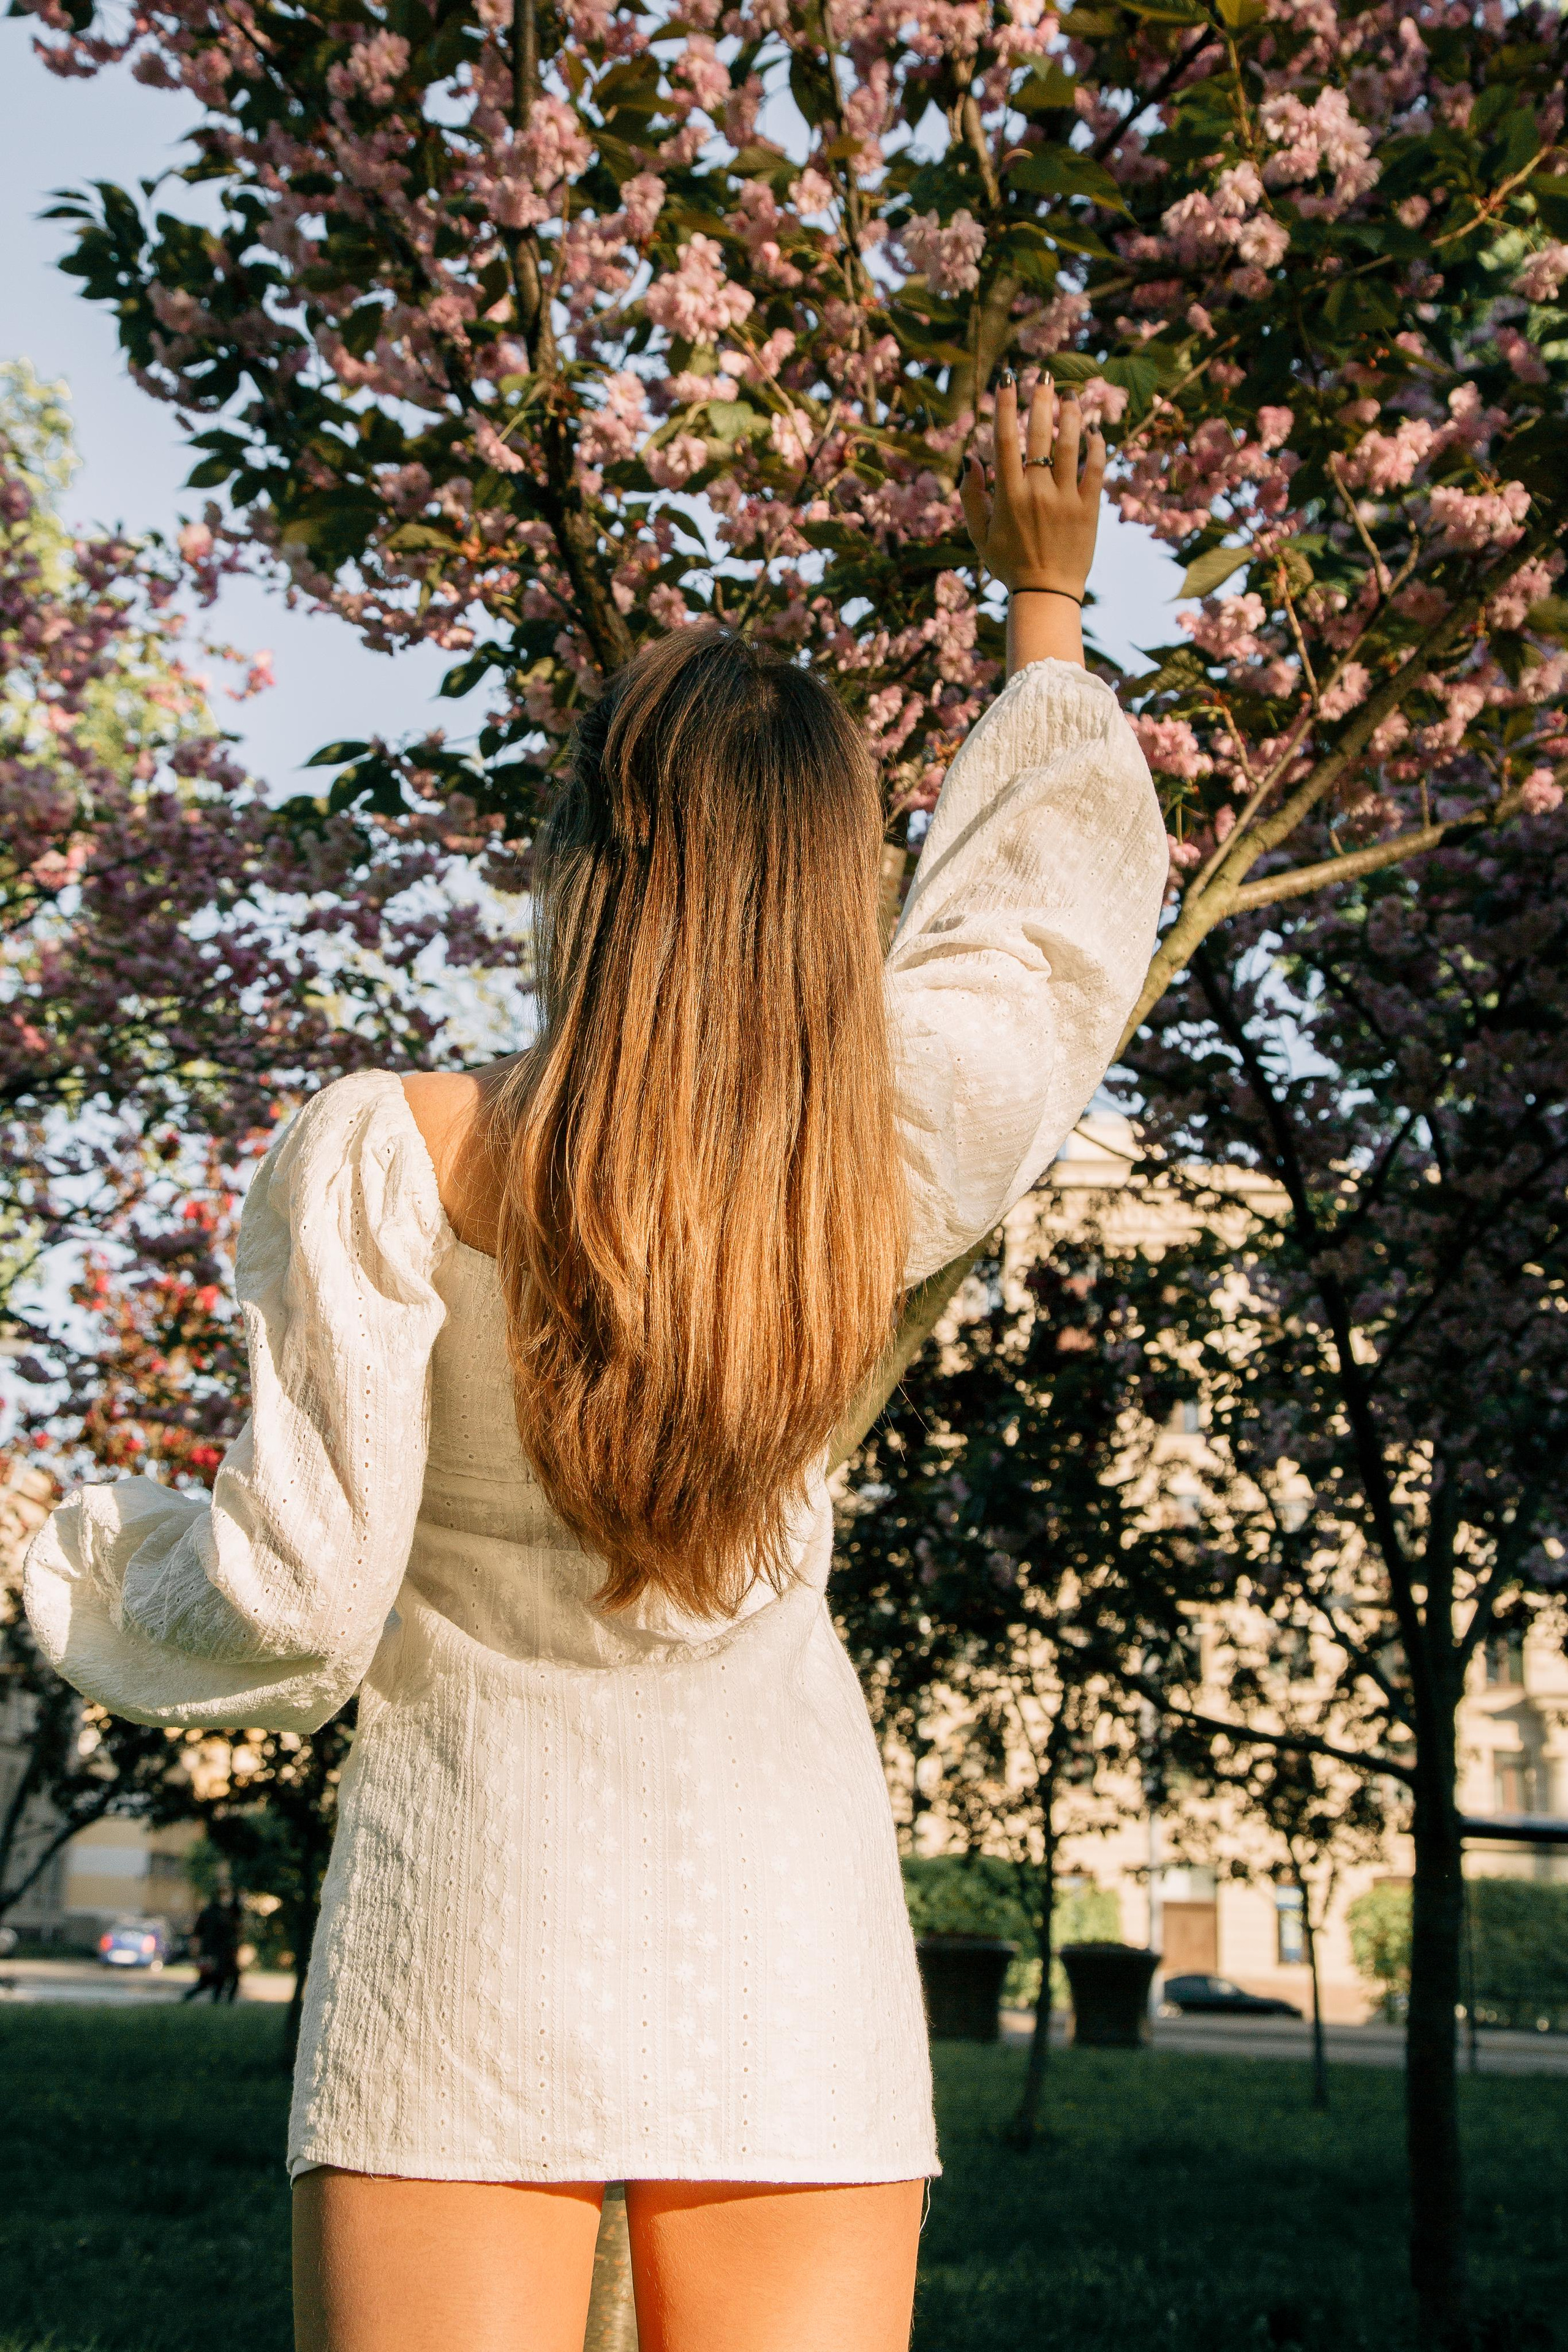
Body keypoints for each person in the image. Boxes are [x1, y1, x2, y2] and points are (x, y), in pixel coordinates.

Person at [23, 377, 1166, 2352]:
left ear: (579, 859)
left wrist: (63, 1535)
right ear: (830, 895)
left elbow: (295, 1608)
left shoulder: (394, 1153)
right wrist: (1043, 613)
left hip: (463, 1932)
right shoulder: (873, 1159)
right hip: (783, 1943)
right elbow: (1037, 945)